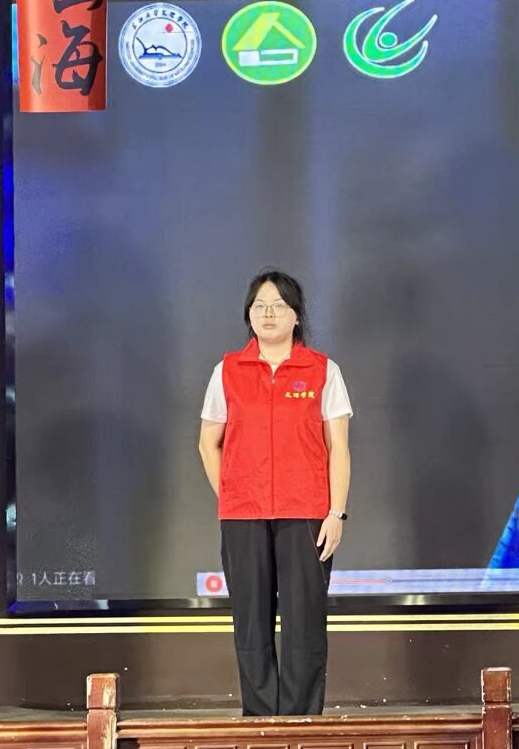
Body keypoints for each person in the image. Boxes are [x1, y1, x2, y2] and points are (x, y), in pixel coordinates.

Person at [198, 269, 353, 716]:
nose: (268, 314)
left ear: (297, 316)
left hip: (307, 512)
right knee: (251, 622)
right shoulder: (227, 371)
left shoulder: (323, 370)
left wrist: (336, 513)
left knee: (305, 622)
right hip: (243, 514)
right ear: (249, 314)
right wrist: (231, 492)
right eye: (260, 306)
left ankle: (302, 724)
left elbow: (338, 448)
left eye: (279, 306)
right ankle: (261, 721)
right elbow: (208, 442)